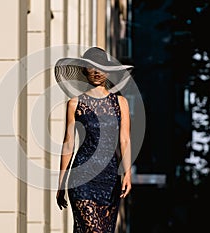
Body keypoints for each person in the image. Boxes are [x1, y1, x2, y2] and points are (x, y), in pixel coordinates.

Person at [55, 46, 133, 233]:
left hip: (110, 180)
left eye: (102, 67)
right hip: (81, 178)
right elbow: (68, 144)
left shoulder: (121, 103)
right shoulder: (75, 103)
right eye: (92, 67)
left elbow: (125, 140)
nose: (97, 71)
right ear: (85, 71)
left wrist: (127, 172)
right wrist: (61, 183)